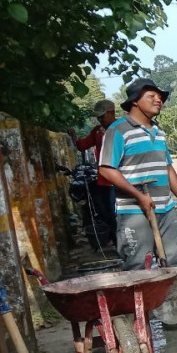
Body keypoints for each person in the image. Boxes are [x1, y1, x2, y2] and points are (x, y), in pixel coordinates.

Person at [98, 78, 177, 270]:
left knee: (173, 261)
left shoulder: (159, 131)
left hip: (165, 209)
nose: (159, 100)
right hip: (133, 212)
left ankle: (170, 298)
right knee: (138, 265)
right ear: (135, 101)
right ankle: (142, 300)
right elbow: (106, 169)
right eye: (152, 96)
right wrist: (139, 196)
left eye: (160, 97)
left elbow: (167, 167)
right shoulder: (118, 130)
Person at [69, 99, 118, 245]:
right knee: (105, 212)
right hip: (103, 179)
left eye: (102, 116)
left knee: (117, 213)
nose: (100, 119)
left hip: (119, 179)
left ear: (111, 113)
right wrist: (74, 137)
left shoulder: (122, 128)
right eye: (99, 117)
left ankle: (122, 240)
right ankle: (116, 239)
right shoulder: (97, 131)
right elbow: (83, 145)